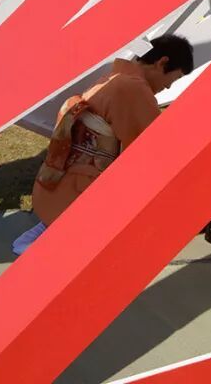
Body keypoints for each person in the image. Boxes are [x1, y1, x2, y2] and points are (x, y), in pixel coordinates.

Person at [11, 34, 194, 255]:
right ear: (162, 62)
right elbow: (156, 147)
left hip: (58, 186)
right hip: (80, 196)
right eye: (173, 79)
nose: (168, 87)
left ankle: (45, 231)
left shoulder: (113, 76)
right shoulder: (132, 88)